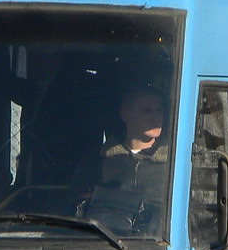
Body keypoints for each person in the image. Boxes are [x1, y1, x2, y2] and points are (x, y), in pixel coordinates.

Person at [72, 86, 170, 233]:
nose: (155, 117)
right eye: (147, 110)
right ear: (125, 113)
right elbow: (76, 206)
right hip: (104, 246)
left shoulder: (175, 163)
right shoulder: (98, 162)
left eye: (159, 110)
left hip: (156, 248)